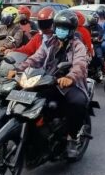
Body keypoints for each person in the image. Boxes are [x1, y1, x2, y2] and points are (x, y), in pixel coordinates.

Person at [10, 10, 89, 158]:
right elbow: (35, 58)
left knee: (77, 102)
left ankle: (71, 138)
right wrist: (17, 69)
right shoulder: (48, 42)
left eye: (64, 28)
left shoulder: (78, 46)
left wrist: (70, 77)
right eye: (58, 27)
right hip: (46, 79)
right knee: (28, 96)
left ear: (71, 30)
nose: (60, 30)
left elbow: (80, 65)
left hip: (68, 83)